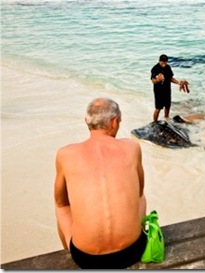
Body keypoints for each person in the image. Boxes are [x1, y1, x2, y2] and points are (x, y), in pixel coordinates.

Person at [54, 98, 147, 269]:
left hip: (86, 258)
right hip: (132, 251)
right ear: (114, 122)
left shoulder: (65, 154)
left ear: (86, 122)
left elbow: (61, 202)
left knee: (60, 206)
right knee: (141, 197)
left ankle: (69, 251)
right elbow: (139, 192)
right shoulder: (132, 147)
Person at [150, 54, 188, 122]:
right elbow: (153, 81)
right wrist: (158, 80)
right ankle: (154, 122)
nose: (164, 64)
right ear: (159, 61)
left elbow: (170, 78)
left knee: (167, 106)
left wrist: (178, 83)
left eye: (165, 62)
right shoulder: (155, 69)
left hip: (167, 90)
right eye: (162, 62)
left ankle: (166, 118)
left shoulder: (168, 67)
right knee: (158, 108)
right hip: (159, 91)